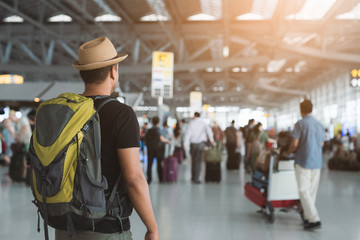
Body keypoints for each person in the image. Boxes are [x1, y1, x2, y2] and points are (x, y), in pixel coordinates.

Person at [55, 37, 159, 240]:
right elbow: (134, 179)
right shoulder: (121, 114)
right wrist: (152, 227)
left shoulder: (66, 112)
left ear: (82, 73)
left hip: (64, 226)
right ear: (114, 70)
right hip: (105, 228)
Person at [283, 99, 324, 231]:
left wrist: (287, 153)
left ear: (301, 110)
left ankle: (314, 219)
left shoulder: (300, 124)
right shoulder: (319, 124)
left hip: (303, 161)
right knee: (311, 191)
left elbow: (294, 144)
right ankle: (308, 218)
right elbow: (322, 144)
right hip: (317, 161)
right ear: (311, 109)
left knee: (303, 190)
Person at [184, 112, 214, 183]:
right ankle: (196, 178)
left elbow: (188, 134)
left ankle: (193, 177)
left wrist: (185, 143)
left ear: (195, 116)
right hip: (200, 144)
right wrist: (212, 140)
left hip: (193, 144)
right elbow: (209, 131)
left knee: (193, 161)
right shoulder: (203, 123)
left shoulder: (191, 123)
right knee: (198, 161)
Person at [145, 117, 170, 184]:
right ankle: (160, 179)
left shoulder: (149, 130)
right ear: (158, 122)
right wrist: (168, 141)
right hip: (157, 149)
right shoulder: (158, 130)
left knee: (149, 164)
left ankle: (149, 179)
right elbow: (161, 138)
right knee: (159, 164)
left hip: (150, 149)